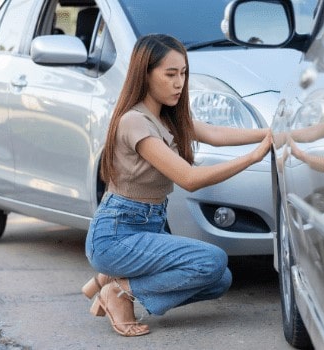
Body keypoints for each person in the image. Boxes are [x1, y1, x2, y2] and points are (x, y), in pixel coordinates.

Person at [81, 34, 272, 337]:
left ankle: (112, 282)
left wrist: (274, 134)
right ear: (145, 74)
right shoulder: (134, 121)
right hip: (117, 233)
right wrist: (253, 157)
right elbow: (189, 179)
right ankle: (119, 292)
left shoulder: (168, 118)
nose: (179, 82)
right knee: (212, 260)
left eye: (183, 73)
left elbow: (216, 133)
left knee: (219, 279)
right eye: (170, 74)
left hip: (147, 227)